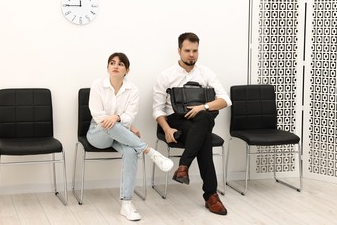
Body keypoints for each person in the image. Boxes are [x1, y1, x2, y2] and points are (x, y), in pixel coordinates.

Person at [87, 52, 174, 221]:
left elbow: (129, 116)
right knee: (109, 125)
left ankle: (126, 204)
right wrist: (119, 121)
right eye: (112, 63)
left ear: (127, 70)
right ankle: (149, 151)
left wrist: (118, 119)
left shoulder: (133, 90)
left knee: (130, 152)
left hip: (120, 133)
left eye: (120, 64)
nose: (115, 66)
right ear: (107, 67)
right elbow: (98, 115)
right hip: (97, 133)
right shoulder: (97, 85)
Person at [153, 32, 232, 215]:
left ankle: (183, 167)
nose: (191, 54)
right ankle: (211, 195)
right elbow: (157, 110)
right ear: (179, 50)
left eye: (195, 51)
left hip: (199, 120)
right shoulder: (166, 76)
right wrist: (166, 129)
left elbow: (225, 100)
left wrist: (201, 107)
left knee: (204, 118)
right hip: (176, 121)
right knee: (204, 136)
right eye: (187, 50)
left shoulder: (206, 72)